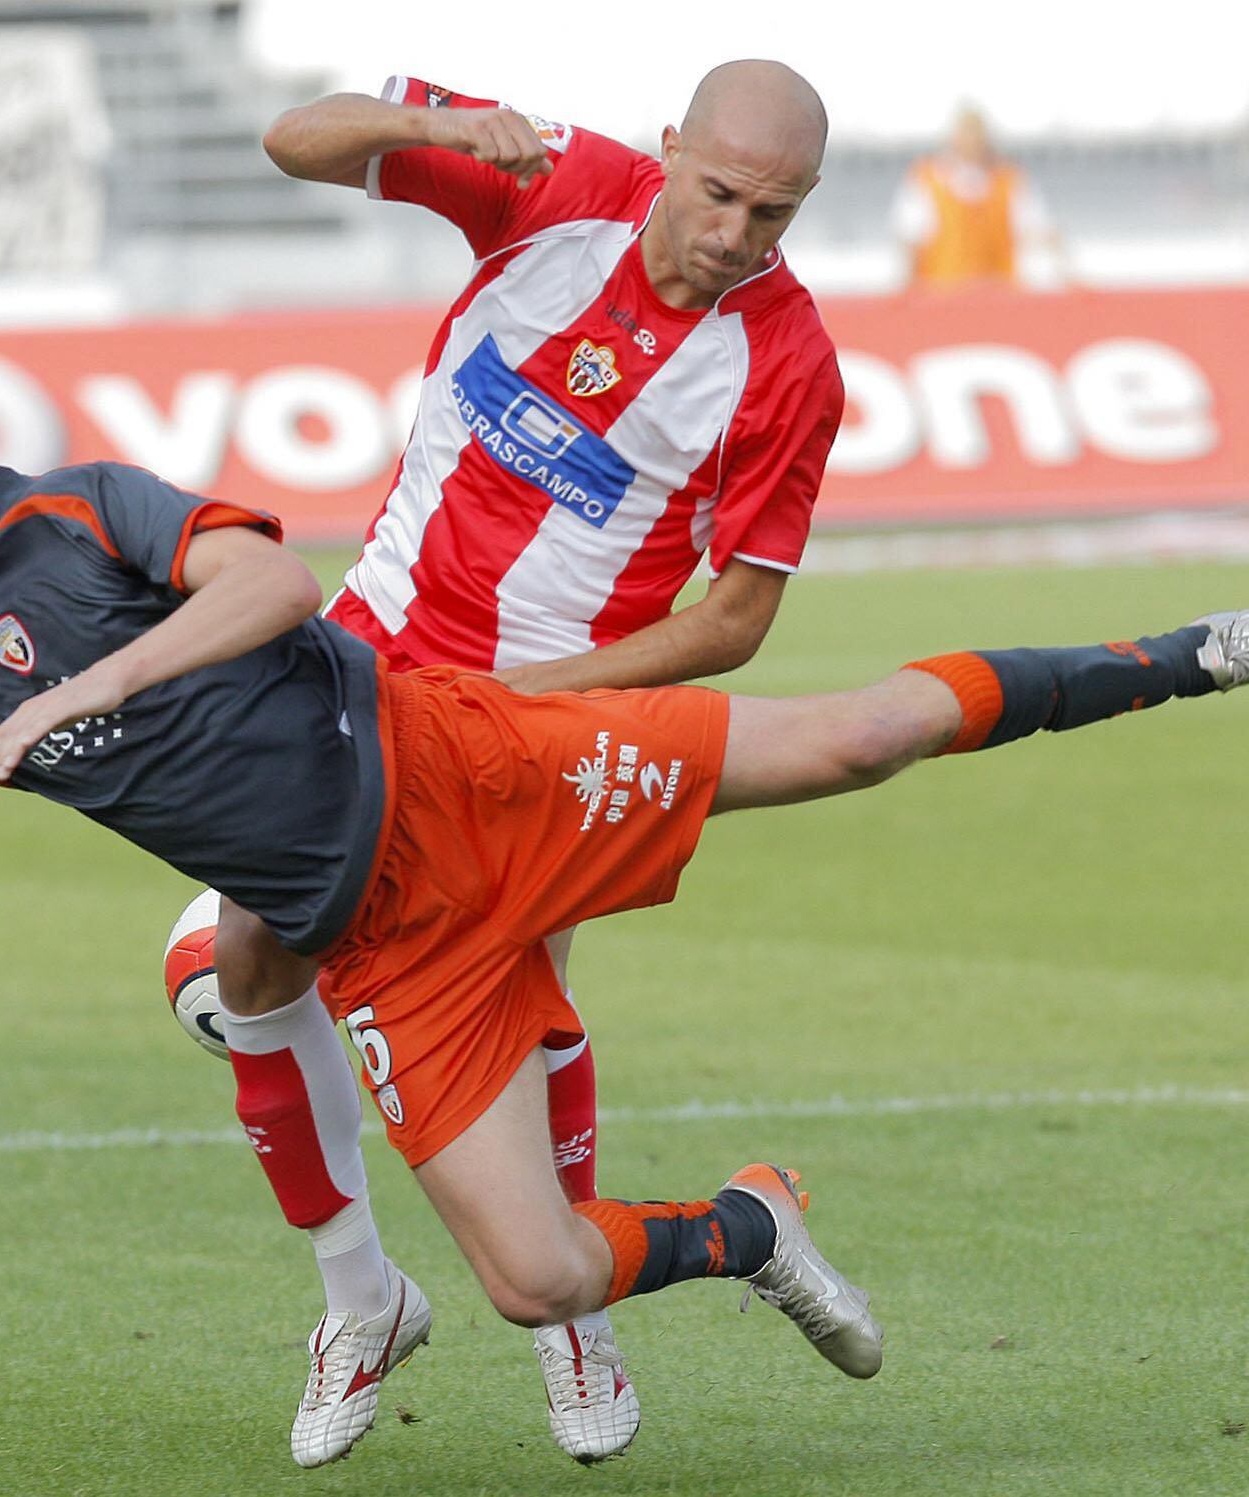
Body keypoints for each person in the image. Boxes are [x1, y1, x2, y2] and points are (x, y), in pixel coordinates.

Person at [0, 368, 1249, 1468]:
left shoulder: (81, 516)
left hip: (466, 762)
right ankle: (748, 1225)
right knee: (538, 1274)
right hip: (385, 936)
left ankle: (1202, 649)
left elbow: (275, 576)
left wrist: (95, 689)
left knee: (856, 739)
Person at [244, 58, 841, 1462]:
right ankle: (363, 1300)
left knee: (523, 1000)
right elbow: (290, 141)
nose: (735, 235)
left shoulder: (788, 361)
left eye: (774, 214)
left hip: (545, 727)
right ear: (663, 149)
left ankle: (572, 1322)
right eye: (716, 193)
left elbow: (735, 620)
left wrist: (539, 698)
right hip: (360, 666)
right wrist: (435, 127)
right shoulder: (550, 183)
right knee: (231, 971)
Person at [891, 105, 1062, 290]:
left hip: (1000, 290)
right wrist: (908, 287)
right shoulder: (928, 178)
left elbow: (1035, 228)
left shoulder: (1009, 179)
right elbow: (910, 237)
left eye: (976, 134)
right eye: (966, 134)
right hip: (943, 292)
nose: (972, 141)